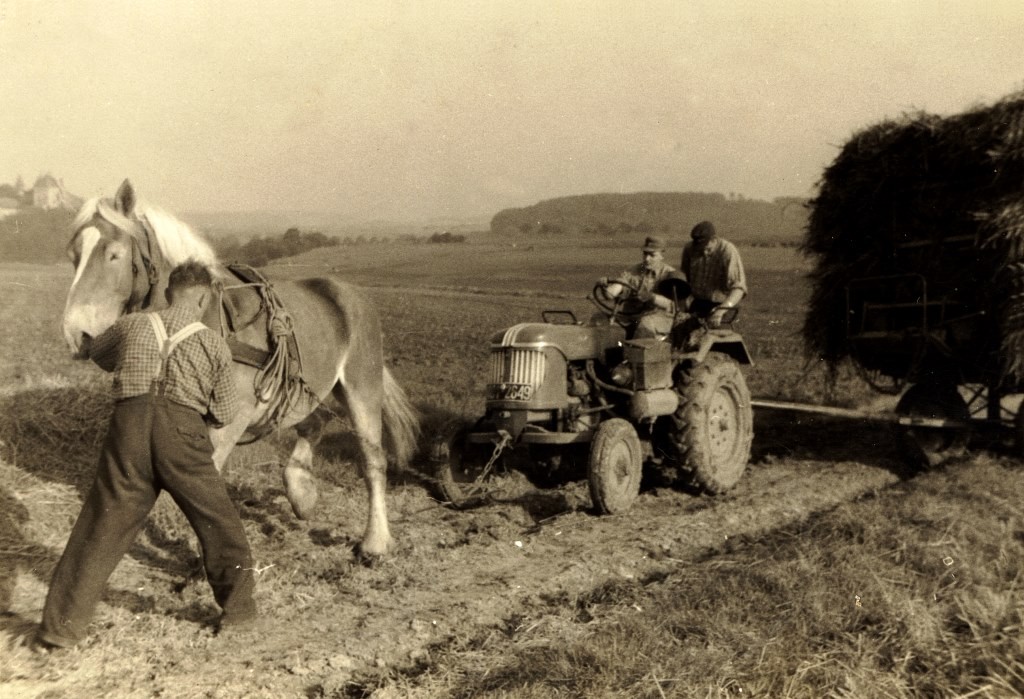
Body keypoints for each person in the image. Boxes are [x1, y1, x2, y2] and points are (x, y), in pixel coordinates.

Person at [38, 260, 256, 649]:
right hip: (182, 434)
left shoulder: (132, 325)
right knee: (218, 521)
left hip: (128, 429)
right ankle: (238, 612)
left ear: (168, 294)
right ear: (204, 298)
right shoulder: (213, 343)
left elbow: (101, 355)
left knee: (100, 526)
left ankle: (60, 630)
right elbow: (224, 414)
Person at [600, 236, 681, 339]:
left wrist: (652, 297)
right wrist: (605, 287)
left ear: (662, 255)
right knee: (600, 319)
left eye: (652, 255)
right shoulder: (632, 271)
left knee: (644, 325)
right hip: (630, 317)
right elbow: (612, 293)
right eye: (645, 254)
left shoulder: (670, 274)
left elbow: (672, 305)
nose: (647, 259)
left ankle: (636, 351)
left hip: (659, 318)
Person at [679, 221, 747, 328]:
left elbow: (738, 288)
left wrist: (722, 310)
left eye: (707, 249)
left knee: (714, 338)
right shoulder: (689, 249)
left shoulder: (728, 251)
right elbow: (683, 279)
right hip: (698, 303)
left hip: (722, 305)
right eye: (700, 250)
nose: (704, 253)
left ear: (714, 239)